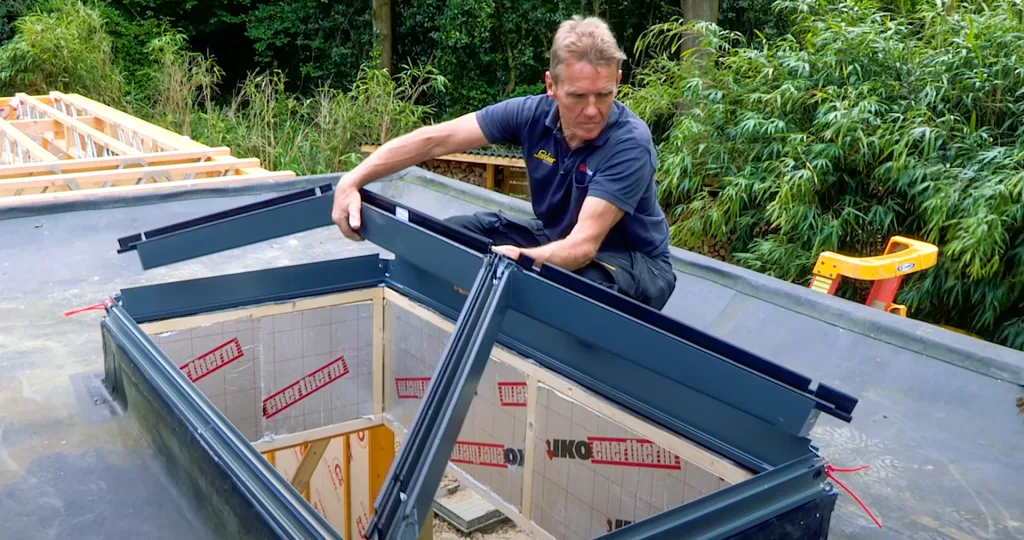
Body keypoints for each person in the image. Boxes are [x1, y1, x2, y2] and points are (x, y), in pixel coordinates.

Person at [331, 16, 677, 310]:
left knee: (579, 291)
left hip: (633, 265)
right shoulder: (530, 115)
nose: (592, 110)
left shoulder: (629, 142)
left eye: (604, 94)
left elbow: (583, 246)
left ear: (617, 81)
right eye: (577, 96)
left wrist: (518, 260)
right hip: (557, 237)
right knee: (450, 237)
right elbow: (435, 139)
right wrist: (352, 180)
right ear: (551, 85)